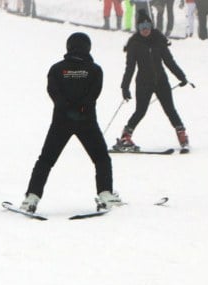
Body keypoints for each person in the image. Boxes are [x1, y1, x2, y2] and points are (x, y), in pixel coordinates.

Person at [19, 32, 119, 214]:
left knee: (46, 160)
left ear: (69, 47)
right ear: (88, 48)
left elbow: (53, 92)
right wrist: (81, 108)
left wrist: (66, 108)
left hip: (61, 121)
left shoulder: (56, 69)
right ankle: (105, 194)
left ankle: (31, 197)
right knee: (101, 158)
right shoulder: (95, 70)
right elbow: (93, 95)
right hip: (86, 120)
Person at [113, 17, 190, 152]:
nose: (145, 29)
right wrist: (125, 87)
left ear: (151, 25)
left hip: (161, 81)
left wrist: (181, 76)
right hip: (143, 82)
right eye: (142, 26)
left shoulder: (158, 40)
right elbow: (130, 68)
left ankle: (182, 136)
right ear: (138, 28)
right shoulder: (134, 44)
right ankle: (125, 137)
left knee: (170, 109)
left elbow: (169, 61)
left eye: (147, 25)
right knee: (141, 111)